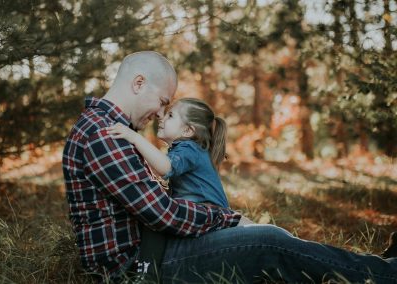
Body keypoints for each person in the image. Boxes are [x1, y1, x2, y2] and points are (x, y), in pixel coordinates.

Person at [62, 51, 397, 284]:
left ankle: (374, 267)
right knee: (266, 241)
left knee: (265, 237)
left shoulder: (111, 130)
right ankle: (385, 275)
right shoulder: (103, 135)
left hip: (156, 250)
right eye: (163, 102)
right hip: (140, 269)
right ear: (138, 84)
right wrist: (229, 217)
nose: (159, 114)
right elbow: (162, 214)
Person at [106, 97, 229, 208]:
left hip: (213, 217)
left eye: (170, 116)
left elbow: (166, 167)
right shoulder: (188, 150)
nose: (161, 118)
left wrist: (134, 137)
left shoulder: (190, 149)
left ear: (187, 131)